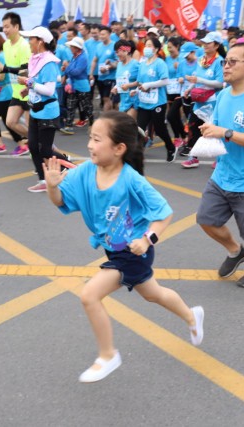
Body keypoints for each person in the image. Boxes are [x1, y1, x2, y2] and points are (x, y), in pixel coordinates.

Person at [44, 111, 204, 383]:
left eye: (97, 139)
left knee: (89, 296)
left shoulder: (131, 180)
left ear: (119, 148)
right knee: (153, 294)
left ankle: (108, 355)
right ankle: (192, 316)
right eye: (90, 138)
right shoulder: (85, 172)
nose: (89, 145)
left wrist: (147, 240)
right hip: (114, 248)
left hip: (134, 251)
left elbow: (164, 213)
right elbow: (61, 201)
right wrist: (51, 187)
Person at [197, 43, 244, 287]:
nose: (226, 66)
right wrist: (210, 130)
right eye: (225, 62)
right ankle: (235, 251)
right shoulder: (222, 95)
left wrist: (226, 133)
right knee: (206, 220)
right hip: (222, 175)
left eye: (232, 62)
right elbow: (218, 129)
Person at [17, 26, 71, 193]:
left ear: (40, 42)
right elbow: (37, 83)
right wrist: (28, 89)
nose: (28, 42)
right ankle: (42, 180)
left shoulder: (48, 62)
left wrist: (28, 83)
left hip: (47, 112)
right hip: (36, 110)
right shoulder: (36, 59)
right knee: (33, 146)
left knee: (45, 150)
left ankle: (73, 168)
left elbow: (48, 90)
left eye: (31, 39)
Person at [180, 31, 225, 169]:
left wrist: (199, 80)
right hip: (199, 101)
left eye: (208, 43)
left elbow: (219, 83)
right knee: (193, 127)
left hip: (212, 102)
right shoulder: (201, 59)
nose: (205, 45)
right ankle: (193, 157)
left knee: (214, 130)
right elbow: (197, 78)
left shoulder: (219, 61)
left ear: (216, 45)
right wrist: (189, 88)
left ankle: (220, 159)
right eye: (204, 42)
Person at [0, 12, 31, 156]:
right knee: (10, 122)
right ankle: (35, 141)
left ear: (16, 27)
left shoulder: (24, 45)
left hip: (28, 91)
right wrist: (0, 69)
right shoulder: (6, 45)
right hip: (16, 92)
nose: (5, 30)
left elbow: (25, 71)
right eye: (3, 27)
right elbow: (8, 69)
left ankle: (41, 148)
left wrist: (4, 68)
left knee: (31, 127)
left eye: (7, 27)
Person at [134, 37, 177, 162]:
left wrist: (149, 85)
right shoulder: (142, 64)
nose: (146, 48)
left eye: (149, 45)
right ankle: (137, 153)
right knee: (140, 129)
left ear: (156, 49)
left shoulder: (160, 63)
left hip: (157, 102)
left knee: (159, 129)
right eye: (145, 45)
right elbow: (140, 82)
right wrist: (135, 90)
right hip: (144, 102)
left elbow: (165, 81)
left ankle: (171, 148)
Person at [63, 36, 94, 130]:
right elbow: (71, 70)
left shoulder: (83, 57)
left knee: (86, 106)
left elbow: (76, 72)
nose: (70, 48)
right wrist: (67, 69)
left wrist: (67, 67)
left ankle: (92, 123)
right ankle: (68, 126)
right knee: (70, 105)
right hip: (73, 85)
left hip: (81, 86)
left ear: (77, 48)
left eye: (72, 46)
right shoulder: (74, 56)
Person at [89, 26, 117, 112]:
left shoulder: (114, 45)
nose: (101, 36)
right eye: (100, 34)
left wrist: (108, 67)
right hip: (101, 77)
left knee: (106, 98)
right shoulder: (99, 46)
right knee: (104, 98)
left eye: (103, 34)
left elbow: (118, 62)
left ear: (109, 34)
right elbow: (95, 60)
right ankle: (110, 115)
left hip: (111, 77)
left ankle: (106, 117)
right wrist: (91, 73)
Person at [111, 39, 139, 119]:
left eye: (118, 52)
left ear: (126, 51)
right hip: (123, 101)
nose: (117, 55)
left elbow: (142, 81)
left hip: (134, 100)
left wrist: (129, 85)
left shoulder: (135, 64)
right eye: (116, 52)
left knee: (129, 123)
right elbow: (120, 81)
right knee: (123, 125)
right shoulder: (119, 65)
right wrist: (115, 87)